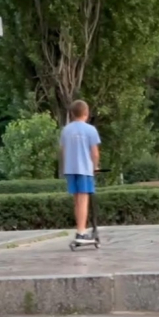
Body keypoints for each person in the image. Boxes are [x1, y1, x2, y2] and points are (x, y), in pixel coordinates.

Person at [60, 100, 101, 244]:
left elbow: (64, 151)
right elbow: (94, 153)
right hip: (85, 169)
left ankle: (80, 228)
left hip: (71, 169)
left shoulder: (66, 130)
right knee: (84, 200)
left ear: (72, 114)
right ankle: (81, 232)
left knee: (77, 200)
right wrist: (95, 166)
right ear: (86, 113)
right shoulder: (90, 130)